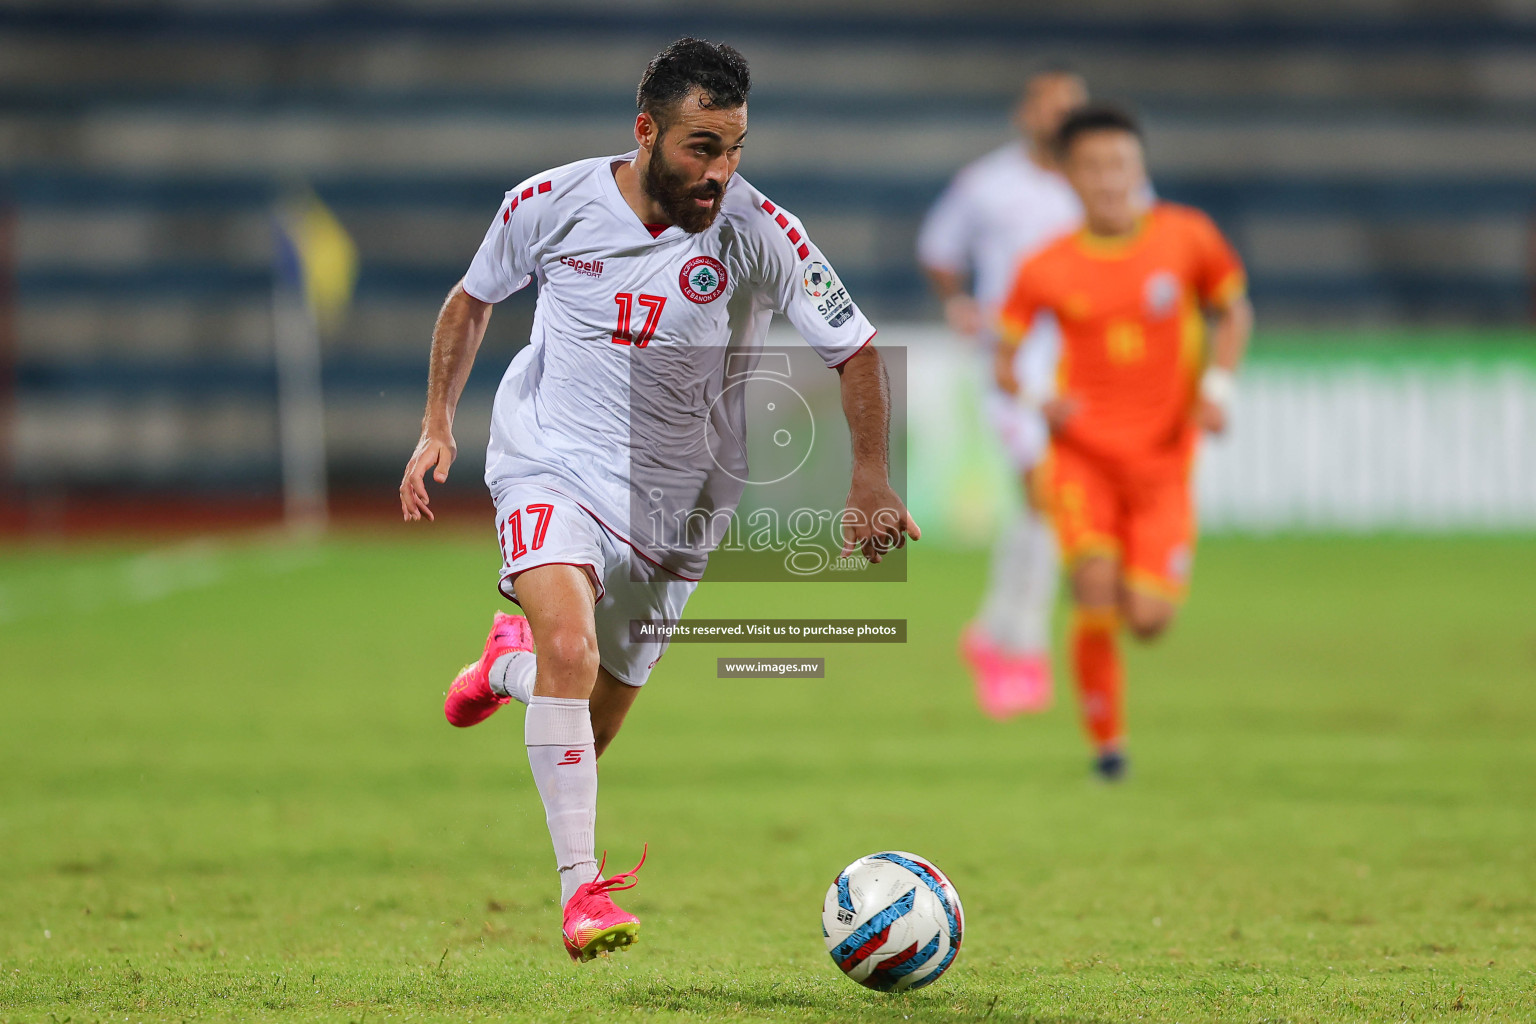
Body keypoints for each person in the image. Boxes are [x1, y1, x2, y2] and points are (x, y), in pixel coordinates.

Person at [398, 38, 916, 961]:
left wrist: (869, 476)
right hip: (551, 461)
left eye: (735, 149)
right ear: (646, 131)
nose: (720, 172)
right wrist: (438, 424)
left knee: (587, 731)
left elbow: (856, 348)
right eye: (700, 147)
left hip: (684, 506)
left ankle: (501, 670)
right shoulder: (547, 204)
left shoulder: (761, 230)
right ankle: (580, 894)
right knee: (570, 642)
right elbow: (471, 302)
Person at [994, 105, 1253, 781]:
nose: (1109, 180)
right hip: (1081, 457)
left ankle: (1108, 650)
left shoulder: (1187, 237)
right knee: (1095, 586)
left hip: (1165, 463)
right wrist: (1038, 398)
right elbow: (1005, 356)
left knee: (1147, 619)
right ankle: (1107, 747)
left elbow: (1233, 309)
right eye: (1093, 167)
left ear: (1140, 168)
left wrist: (1217, 390)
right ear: (1068, 178)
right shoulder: (1046, 265)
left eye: (1120, 165)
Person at [916, 67, 1087, 720]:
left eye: (1071, 106)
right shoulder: (988, 184)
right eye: (1049, 106)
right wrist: (958, 302)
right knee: (1047, 487)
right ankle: (1025, 645)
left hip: (1082, 363)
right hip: (1012, 360)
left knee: (1047, 500)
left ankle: (994, 633)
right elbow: (937, 248)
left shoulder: (1103, 180)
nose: (1060, 118)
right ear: (1026, 114)